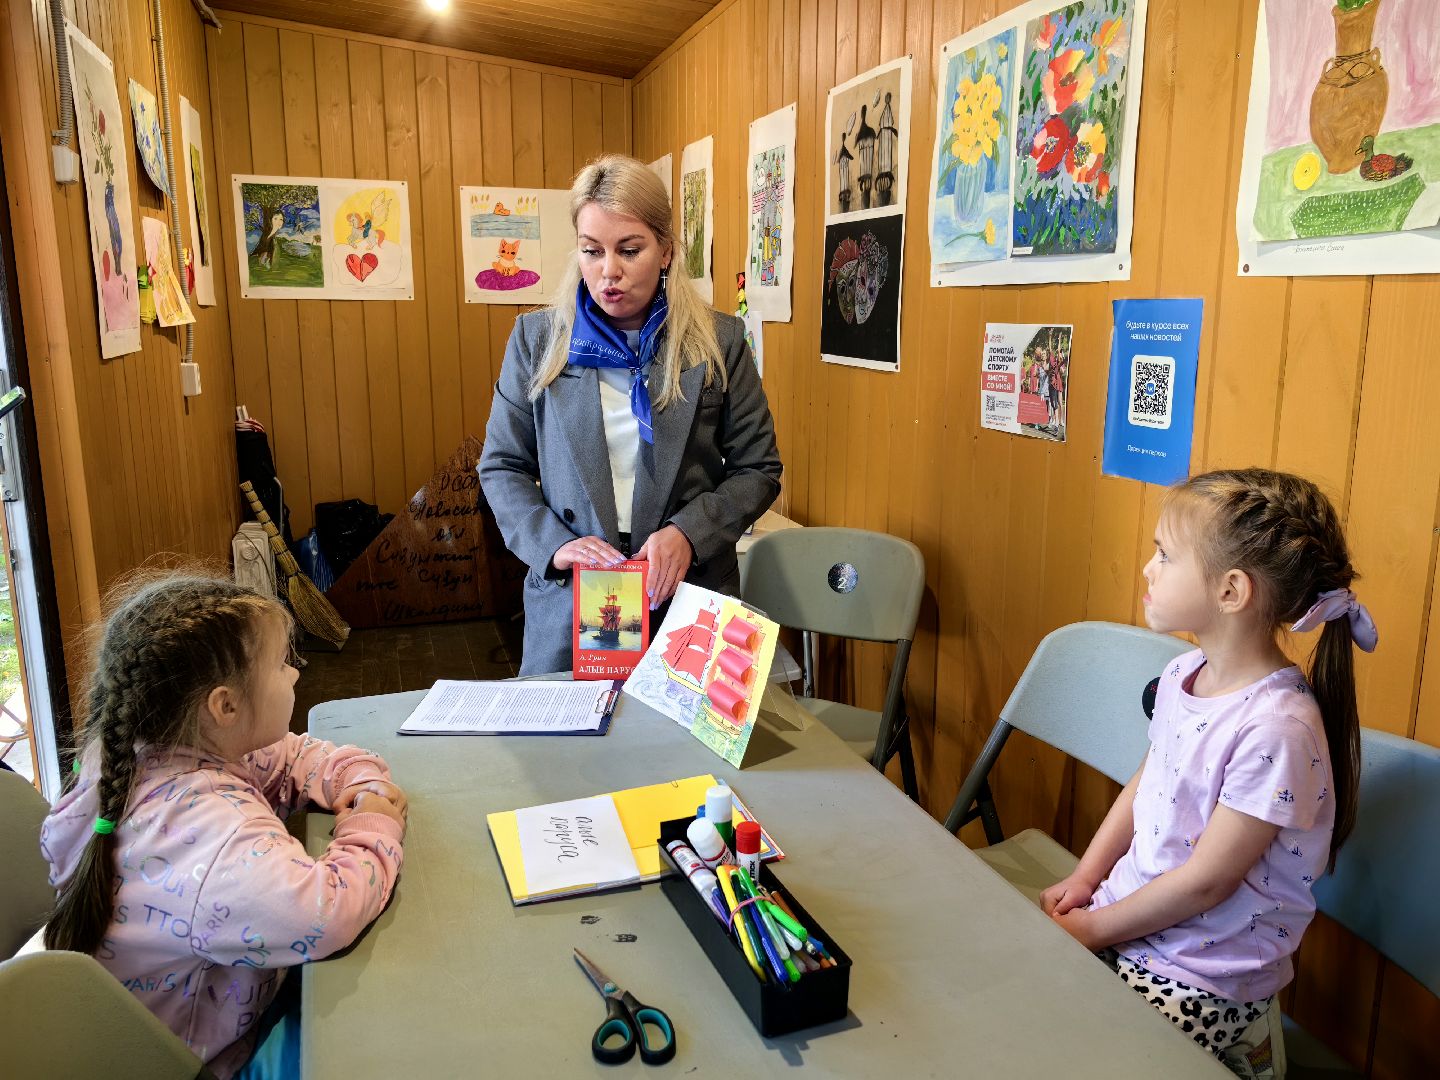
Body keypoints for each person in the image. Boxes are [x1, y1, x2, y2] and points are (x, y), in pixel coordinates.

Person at [1040, 469, 1372, 1078]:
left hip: (1202, 973)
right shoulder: (1182, 674)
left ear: (1231, 591)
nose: (1148, 568)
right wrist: (1087, 878)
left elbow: (1206, 884)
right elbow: (1147, 781)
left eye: (1165, 555)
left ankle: (1249, 1046)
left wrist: (1092, 931)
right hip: (1133, 921)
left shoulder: (1277, 729)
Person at [41, 575, 408, 1079]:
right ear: (225, 706)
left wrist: (359, 780)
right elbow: (325, 914)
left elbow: (294, 755)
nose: (294, 673)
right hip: (210, 1062)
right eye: (281, 663)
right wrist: (374, 824)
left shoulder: (142, 751)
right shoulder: (214, 840)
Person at [480, 154, 782, 675]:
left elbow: (758, 468)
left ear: (666, 251)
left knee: (677, 733)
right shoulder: (536, 341)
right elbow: (501, 466)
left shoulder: (721, 341)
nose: (608, 271)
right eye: (591, 251)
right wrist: (555, 545)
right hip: (576, 596)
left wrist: (690, 532)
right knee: (578, 730)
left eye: (629, 250)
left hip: (688, 595)